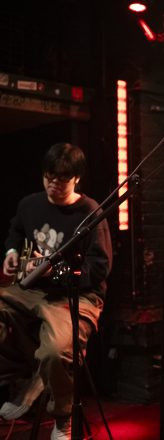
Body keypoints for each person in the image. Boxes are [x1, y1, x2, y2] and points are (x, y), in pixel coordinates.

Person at [0, 142, 112, 440]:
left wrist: (57, 271)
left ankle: (62, 418)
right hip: (33, 290)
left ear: (77, 178)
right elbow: (15, 232)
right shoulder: (29, 204)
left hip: (77, 295)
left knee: (56, 350)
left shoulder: (90, 212)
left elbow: (99, 269)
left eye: (62, 180)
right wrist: (11, 252)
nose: (54, 185)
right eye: (49, 178)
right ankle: (26, 379)